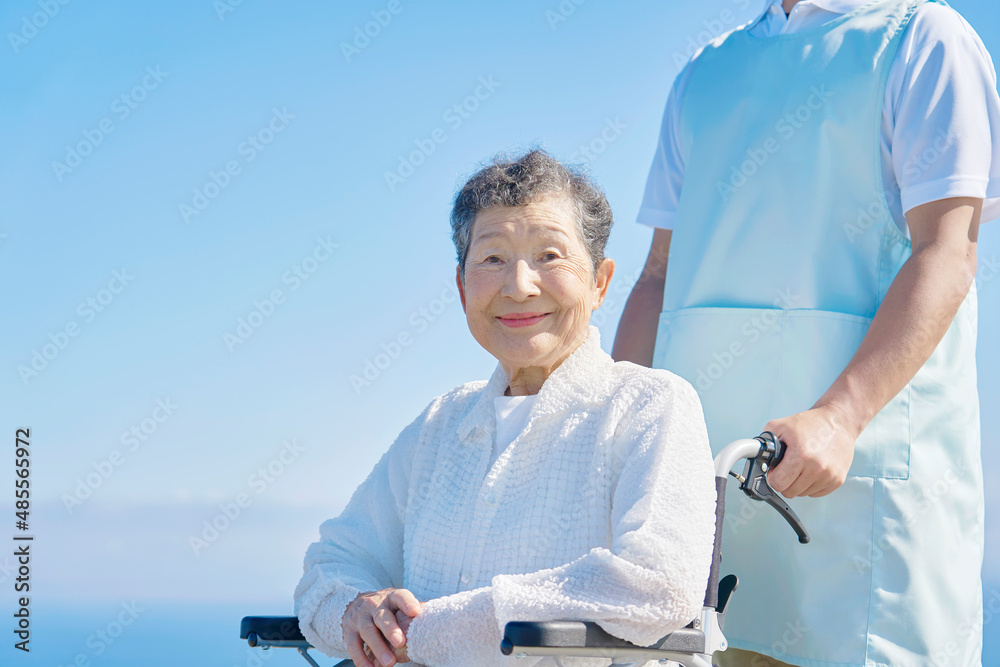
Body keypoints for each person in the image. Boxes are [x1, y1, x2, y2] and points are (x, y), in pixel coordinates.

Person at [614, 0, 1000, 665]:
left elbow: (945, 252)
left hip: (862, 506)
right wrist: (615, 438)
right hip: (706, 501)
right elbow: (657, 276)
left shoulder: (924, 40)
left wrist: (840, 417)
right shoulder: (704, 73)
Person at [294, 150, 718, 667]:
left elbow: (658, 585)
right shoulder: (440, 423)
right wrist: (356, 614)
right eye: (493, 259)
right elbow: (333, 562)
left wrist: (429, 632)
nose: (520, 286)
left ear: (600, 282)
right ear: (461, 285)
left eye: (549, 256)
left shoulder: (649, 405)